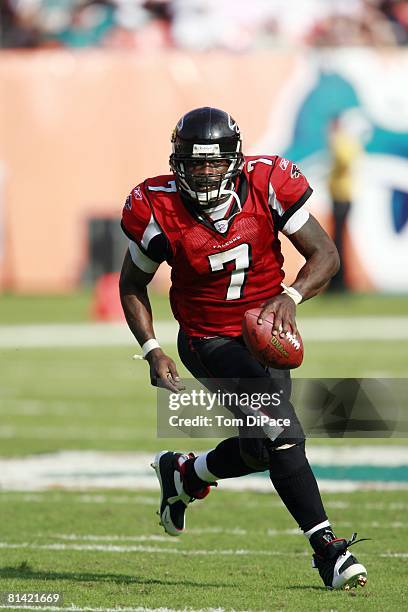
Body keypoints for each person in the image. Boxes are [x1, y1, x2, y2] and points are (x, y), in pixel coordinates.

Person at [119, 107, 368, 590]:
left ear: (234, 159)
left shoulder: (267, 182)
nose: (206, 172)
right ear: (178, 163)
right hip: (207, 338)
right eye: (195, 163)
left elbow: (326, 254)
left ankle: (186, 475)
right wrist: (152, 348)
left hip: (265, 336)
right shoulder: (156, 205)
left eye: (215, 163)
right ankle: (329, 552)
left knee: (261, 449)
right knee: (282, 432)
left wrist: (291, 296)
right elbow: (132, 284)